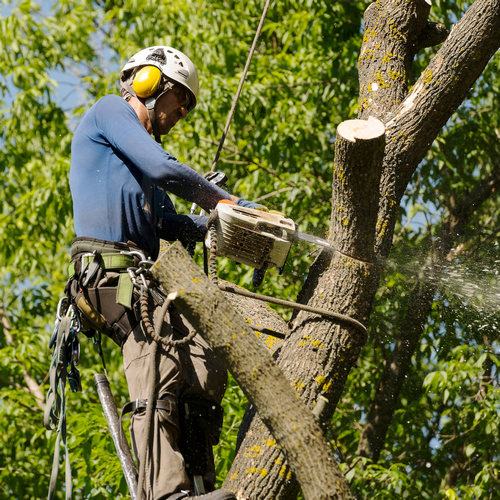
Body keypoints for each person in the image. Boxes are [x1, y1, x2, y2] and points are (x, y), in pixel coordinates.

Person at [68, 45, 256, 500]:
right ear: (152, 85)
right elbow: (162, 167)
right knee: (158, 366)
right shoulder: (110, 113)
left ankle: (199, 484)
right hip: (109, 273)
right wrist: (220, 199)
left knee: (203, 360)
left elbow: (172, 225)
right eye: (179, 103)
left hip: (143, 278)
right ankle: (165, 493)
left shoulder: (144, 160)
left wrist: (215, 219)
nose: (180, 116)